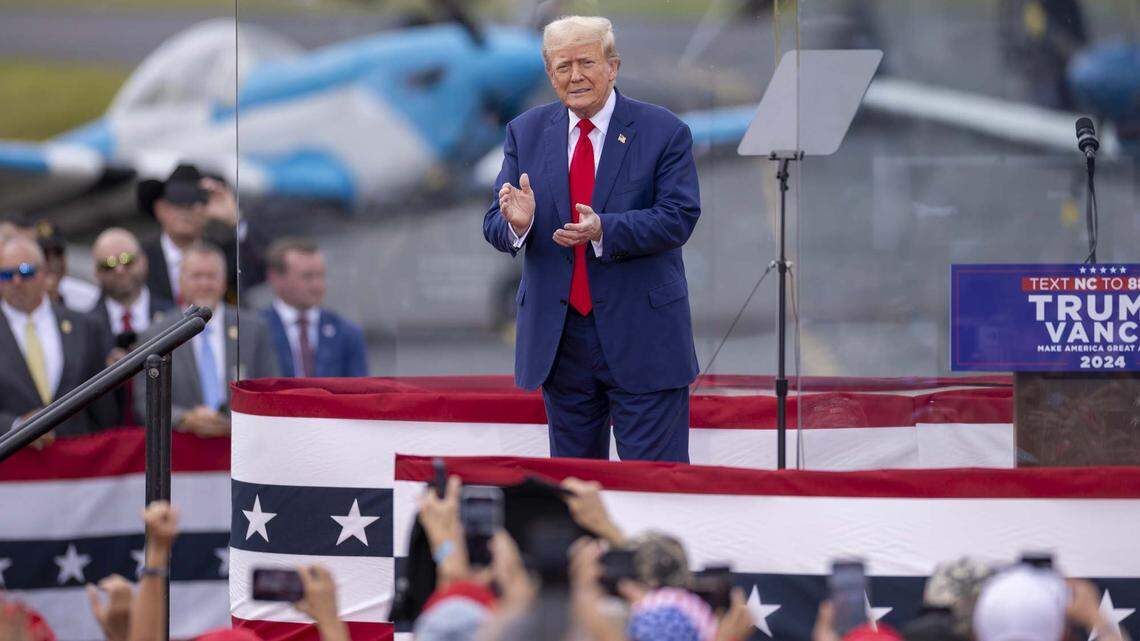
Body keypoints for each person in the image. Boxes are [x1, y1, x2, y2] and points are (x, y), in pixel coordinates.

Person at [482, 15, 701, 463]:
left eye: (586, 62)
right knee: (573, 492)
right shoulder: (523, 132)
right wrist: (518, 224)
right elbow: (495, 223)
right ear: (549, 73)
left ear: (613, 66)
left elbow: (678, 217)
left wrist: (606, 229)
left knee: (655, 489)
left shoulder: (664, 131)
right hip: (561, 346)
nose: (575, 76)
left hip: (644, 339)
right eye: (563, 66)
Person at [133, 243, 277, 437]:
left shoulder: (253, 329)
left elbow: (271, 390)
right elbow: (145, 401)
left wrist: (236, 420)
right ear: (181, 282)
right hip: (183, 450)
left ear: (224, 281)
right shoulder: (157, 334)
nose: (204, 284)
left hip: (242, 444)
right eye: (196, 276)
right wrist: (185, 418)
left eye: (211, 276)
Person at [0, 236, 116, 442]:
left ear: (45, 273)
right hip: (14, 463)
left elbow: (103, 407)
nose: (16, 282)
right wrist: (16, 426)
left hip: (78, 459)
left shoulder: (84, 326)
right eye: (7, 275)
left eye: (26, 271)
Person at [89, 228, 176, 425]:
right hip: (111, 437)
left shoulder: (174, 317)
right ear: (95, 272)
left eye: (127, 260)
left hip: (167, 430)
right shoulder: (85, 327)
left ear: (143, 261)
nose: (120, 270)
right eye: (108, 265)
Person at [137, 164, 245, 303]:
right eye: (177, 202)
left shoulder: (226, 254)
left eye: (195, 202)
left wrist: (235, 221)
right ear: (160, 209)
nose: (186, 211)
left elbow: (255, 277)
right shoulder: (140, 258)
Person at [261, 237, 368, 378]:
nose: (317, 285)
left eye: (321, 275)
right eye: (307, 276)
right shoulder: (257, 330)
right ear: (275, 278)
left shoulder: (347, 333)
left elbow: (360, 391)